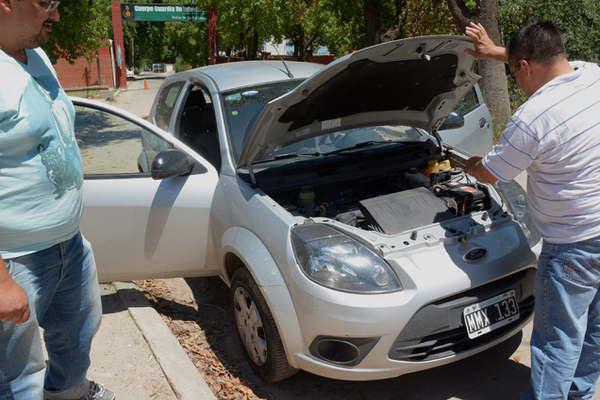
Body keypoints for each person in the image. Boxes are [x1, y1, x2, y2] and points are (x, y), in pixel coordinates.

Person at [464, 20, 600, 400]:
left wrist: (472, 165)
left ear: (524, 66)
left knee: (557, 340)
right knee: (595, 330)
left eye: (514, 72)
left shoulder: (534, 116)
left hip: (573, 244)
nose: (516, 82)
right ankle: (579, 394)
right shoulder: (592, 74)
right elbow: (542, 59)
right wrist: (495, 52)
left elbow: (492, 173)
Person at [0, 1, 114, 399]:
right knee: (15, 375)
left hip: (68, 245)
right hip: (15, 261)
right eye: (46, 3)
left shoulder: (37, 56)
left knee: (77, 339)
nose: (57, 14)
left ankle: (69, 393)